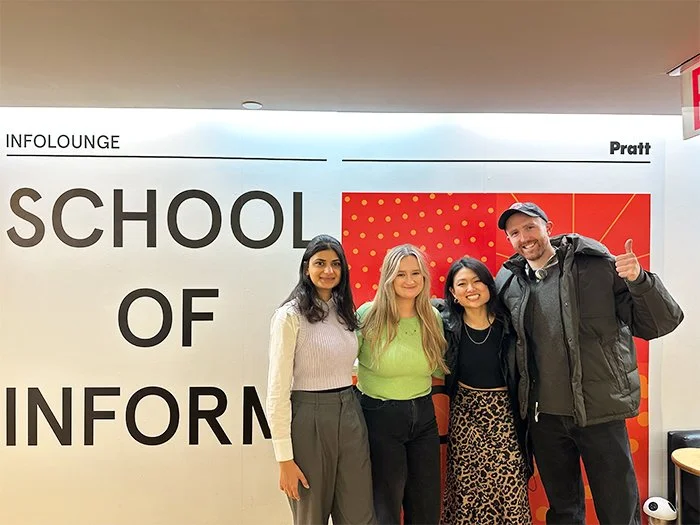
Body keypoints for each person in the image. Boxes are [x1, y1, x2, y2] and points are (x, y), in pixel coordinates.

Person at [495, 202, 684, 525]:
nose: (524, 237)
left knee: (618, 509)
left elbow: (659, 323)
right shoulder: (510, 281)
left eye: (530, 227)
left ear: (548, 227)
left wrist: (640, 280)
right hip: (544, 419)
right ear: (509, 240)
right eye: (515, 233)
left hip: (599, 412)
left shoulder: (596, 266)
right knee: (563, 511)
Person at [265, 234, 375, 525]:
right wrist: (284, 458)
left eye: (336, 264)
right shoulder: (289, 316)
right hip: (308, 420)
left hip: (350, 414)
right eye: (320, 263)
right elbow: (277, 389)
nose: (328, 270)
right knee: (311, 516)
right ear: (306, 268)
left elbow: (342, 362)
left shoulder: (345, 313)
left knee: (360, 515)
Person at [356, 244, 448, 525]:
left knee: (426, 505)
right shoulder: (368, 315)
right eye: (401, 274)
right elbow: (347, 361)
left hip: (423, 417)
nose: (409, 280)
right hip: (379, 417)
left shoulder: (432, 317)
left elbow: (437, 368)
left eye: (416, 273)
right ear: (388, 277)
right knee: (385, 506)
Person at [439, 257, 532, 525]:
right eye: (462, 284)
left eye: (477, 281)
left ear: (490, 286)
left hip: (505, 414)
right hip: (465, 414)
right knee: (466, 488)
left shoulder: (510, 324)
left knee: (509, 485)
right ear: (453, 293)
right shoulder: (447, 326)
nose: (471, 288)